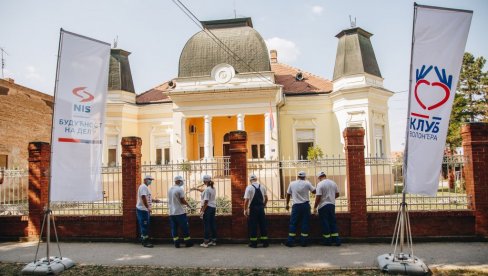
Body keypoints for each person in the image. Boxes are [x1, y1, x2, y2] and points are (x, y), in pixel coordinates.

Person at [285, 171, 316, 247]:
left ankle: (290, 241)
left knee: (293, 223)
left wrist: (287, 204)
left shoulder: (292, 183)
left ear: (297, 176)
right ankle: (304, 242)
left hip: (296, 206)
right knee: (305, 223)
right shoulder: (307, 183)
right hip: (305, 206)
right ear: (304, 177)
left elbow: (288, 194)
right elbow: (314, 191)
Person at [313, 171, 341, 246]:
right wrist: (331, 198)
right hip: (332, 205)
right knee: (333, 222)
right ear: (325, 175)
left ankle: (327, 241)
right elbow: (337, 194)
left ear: (319, 177)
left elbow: (318, 196)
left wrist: (315, 207)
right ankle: (337, 240)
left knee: (325, 223)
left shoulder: (320, 184)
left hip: (323, 206)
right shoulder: (333, 183)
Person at [191, 175, 217, 248]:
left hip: (207, 208)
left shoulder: (207, 190)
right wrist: (196, 189)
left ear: (205, 181)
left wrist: (202, 211)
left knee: (206, 225)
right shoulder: (212, 188)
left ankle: (206, 242)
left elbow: (206, 201)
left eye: (203, 180)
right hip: (213, 207)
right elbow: (205, 191)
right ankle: (213, 241)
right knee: (212, 224)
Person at [243, 174, 269, 248]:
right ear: (256, 179)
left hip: (253, 209)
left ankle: (253, 243)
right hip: (261, 208)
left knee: (253, 226)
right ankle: (265, 243)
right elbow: (266, 198)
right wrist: (263, 206)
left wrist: (245, 210)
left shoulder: (249, 188)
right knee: (263, 225)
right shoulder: (262, 187)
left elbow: (246, 200)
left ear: (250, 180)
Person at [168, 175, 193, 248]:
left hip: (171, 212)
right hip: (179, 212)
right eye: (182, 181)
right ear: (178, 181)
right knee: (184, 227)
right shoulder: (180, 189)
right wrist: (188, 205)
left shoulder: (170, 189)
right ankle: (188, 242)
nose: (182, 182)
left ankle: (176, 243)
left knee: (174, 228)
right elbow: (182, 200)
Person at [136, 175, 159, 248]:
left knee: (145, 225)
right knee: (144, 225)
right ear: (145, 179)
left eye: (151, 180)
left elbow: (146, 197)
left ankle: (144, 239)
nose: (151, 181)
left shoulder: (145, 187)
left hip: (144, 210)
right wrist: (148, 207)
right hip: (143, 210)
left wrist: (154, 200)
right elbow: (143, 197)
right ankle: (145, 242)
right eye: (149, 179)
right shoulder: (143, 187)